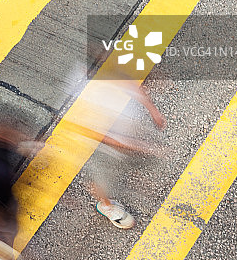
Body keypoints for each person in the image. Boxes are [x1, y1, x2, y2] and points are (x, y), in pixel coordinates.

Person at [63, 73, 166, 230]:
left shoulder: (106, 78)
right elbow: (100, 137)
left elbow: (126, 82)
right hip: (100, 146)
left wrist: (153, 110)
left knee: (133, 158)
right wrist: (139, 146)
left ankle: (130, 169)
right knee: (100, 177)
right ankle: (106, 206)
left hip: (124, 132)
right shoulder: (82, 102)